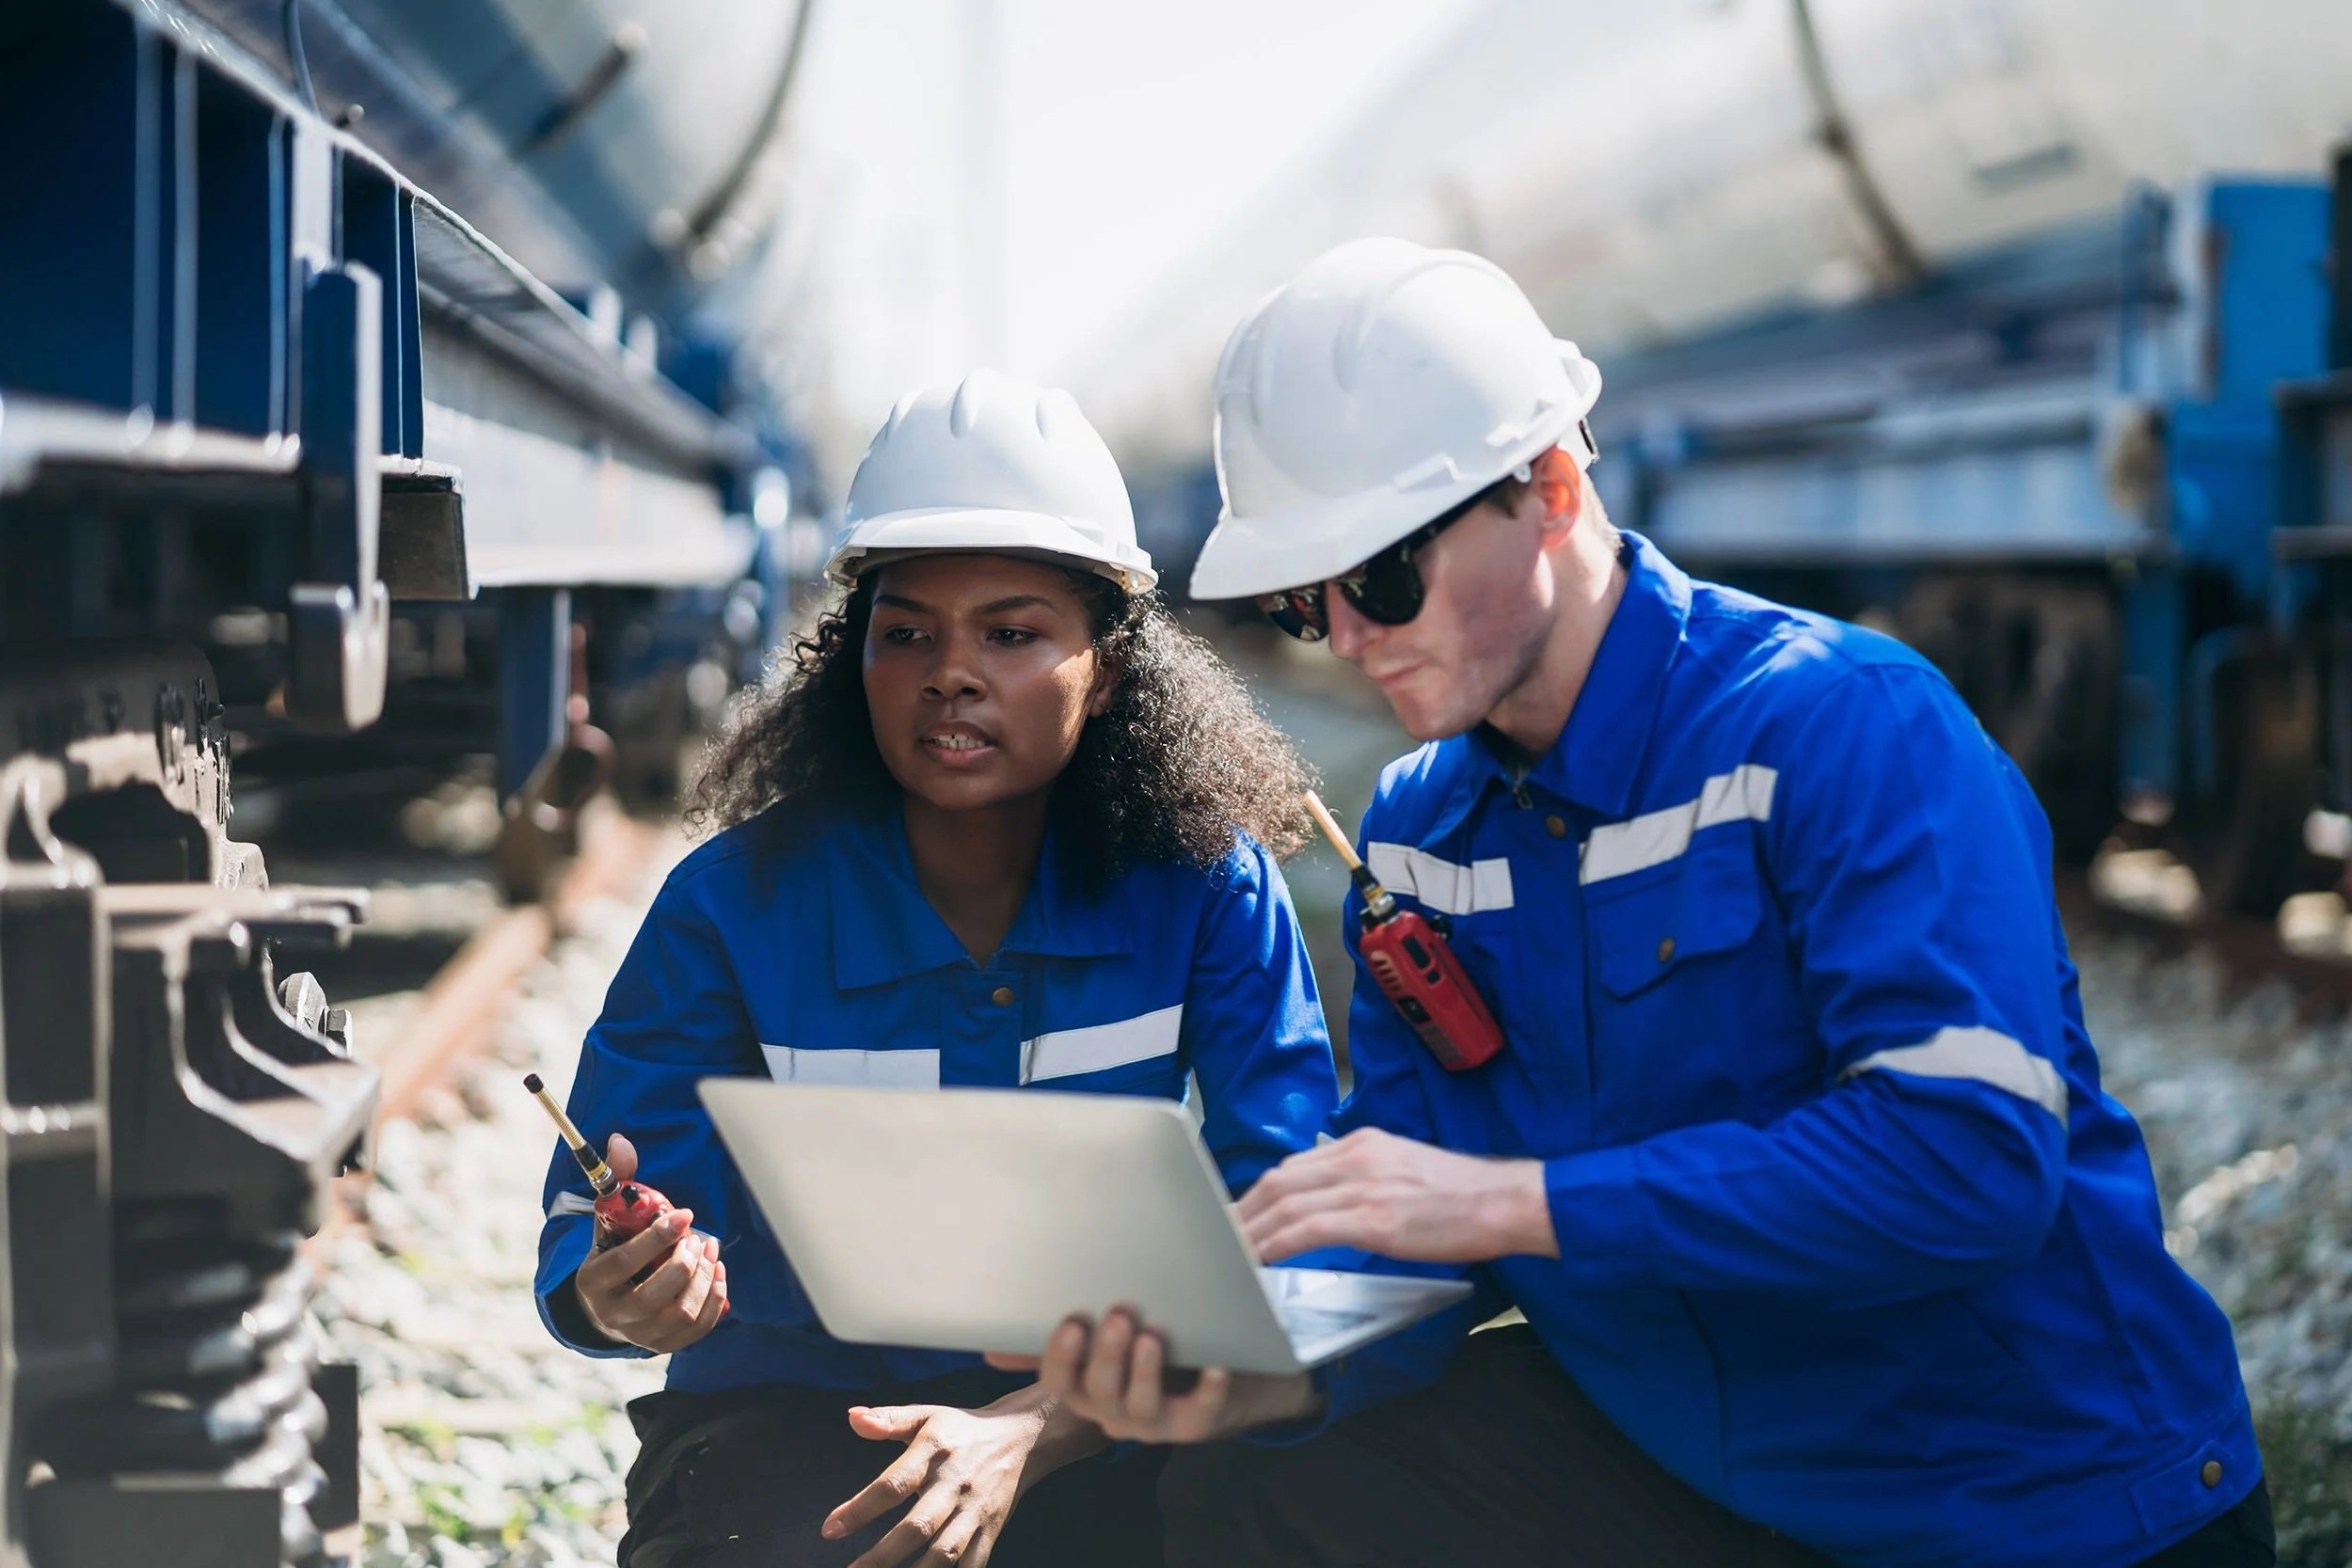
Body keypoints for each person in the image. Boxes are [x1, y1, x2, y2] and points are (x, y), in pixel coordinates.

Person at [1009, 240, 2275, 1567]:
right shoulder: (1421, 830)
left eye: (1381, 575)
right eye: (1302, 598)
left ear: (1551, 485)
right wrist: (1234, 1364)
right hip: (1718, 1473)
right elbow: (1411, 1244)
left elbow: (1969, 1159)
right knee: (1244, 1480)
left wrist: (1511, 1200)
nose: (1350, 627)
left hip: (2029, 1499)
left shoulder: (1843, 725)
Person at [532, 370, 1338, 1568]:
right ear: (853, 658)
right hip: (799, 1422)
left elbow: (1287, 1227)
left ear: (1108, 668)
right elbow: (590, 1224)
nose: (947, 673)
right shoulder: (736, 903)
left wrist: (1031, 1428)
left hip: (1111, 1415)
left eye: (1011, 633)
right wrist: (624, 1287)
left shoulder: (1206, 891)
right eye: (905, 632)